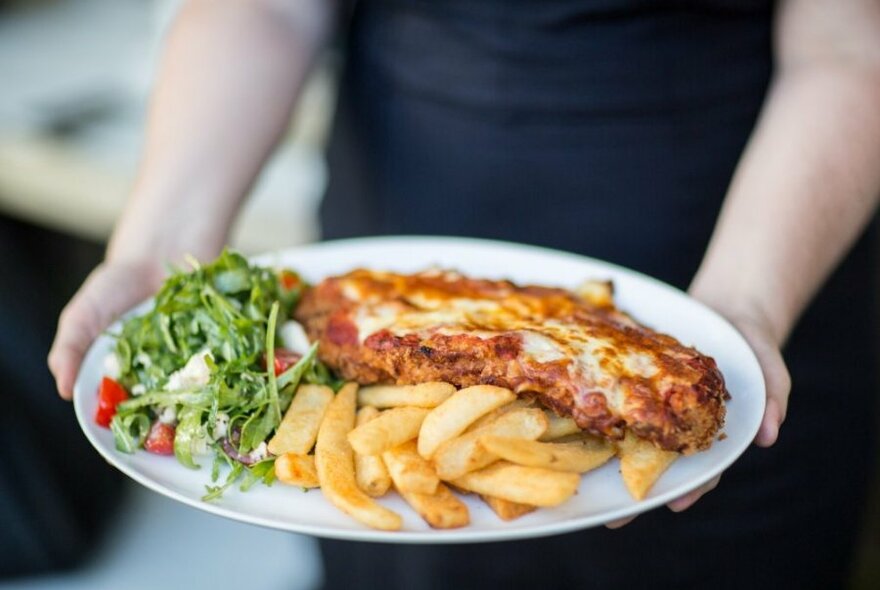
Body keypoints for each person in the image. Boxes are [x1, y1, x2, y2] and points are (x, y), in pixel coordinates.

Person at [48, 0, 880, 588]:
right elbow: (263, 6)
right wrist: (158, 248)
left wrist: (740, 309)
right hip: (387, 250)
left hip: (751, 253)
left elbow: (850, 43)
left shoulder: (696, 360)